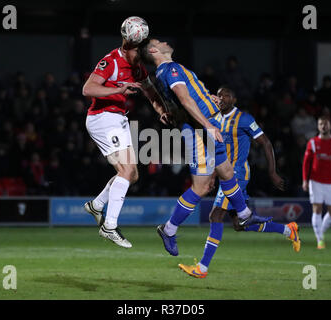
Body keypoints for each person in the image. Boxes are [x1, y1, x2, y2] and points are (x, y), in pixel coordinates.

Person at [139, 39, 272, 267]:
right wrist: (208, 125)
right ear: (154, 50)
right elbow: (184, 98)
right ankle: (168, 229)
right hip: (200, 130)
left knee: (227, 171)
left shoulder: (166, 71)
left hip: (205, 124)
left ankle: (244, 215)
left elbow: (174, 96)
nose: (164, 41)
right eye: (158, 41)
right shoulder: (170, 69)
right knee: (202, 187)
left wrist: (204, 98)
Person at [178, 86, 300, 278]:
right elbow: (213, 152)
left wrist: (272, 171)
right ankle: (288, 230)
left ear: (234, 99)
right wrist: (211, 176)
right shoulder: (212, 119)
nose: (220, 98)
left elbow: (266, 143)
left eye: (225, 95)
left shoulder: (244, 119)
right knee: (239, 223)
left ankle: (202, 268)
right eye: (218, 95)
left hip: (237, 174)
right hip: (223, 174)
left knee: (215, 216)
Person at [82, 20, 170, 249]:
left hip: (118, 118)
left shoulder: (138, 67)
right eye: (136, 49)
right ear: (127, 43)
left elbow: (150, 92)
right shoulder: (110, 61)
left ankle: (97, 205)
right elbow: (88, 89)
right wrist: (118, 89)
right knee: (126, 170)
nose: (139, 55)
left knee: (132, 176)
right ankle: (109, 226)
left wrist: (161, 111)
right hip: (102, 117)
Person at [302, 115, 331, 249]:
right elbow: (306, 163)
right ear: (318, 126)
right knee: (317, 209)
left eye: (326, 124)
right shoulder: (312, 142)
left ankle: (320, 231)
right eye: (321, 124)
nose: (323, 126)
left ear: (330, 126)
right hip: (315, 181)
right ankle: (320, 240)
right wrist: (305, 180)